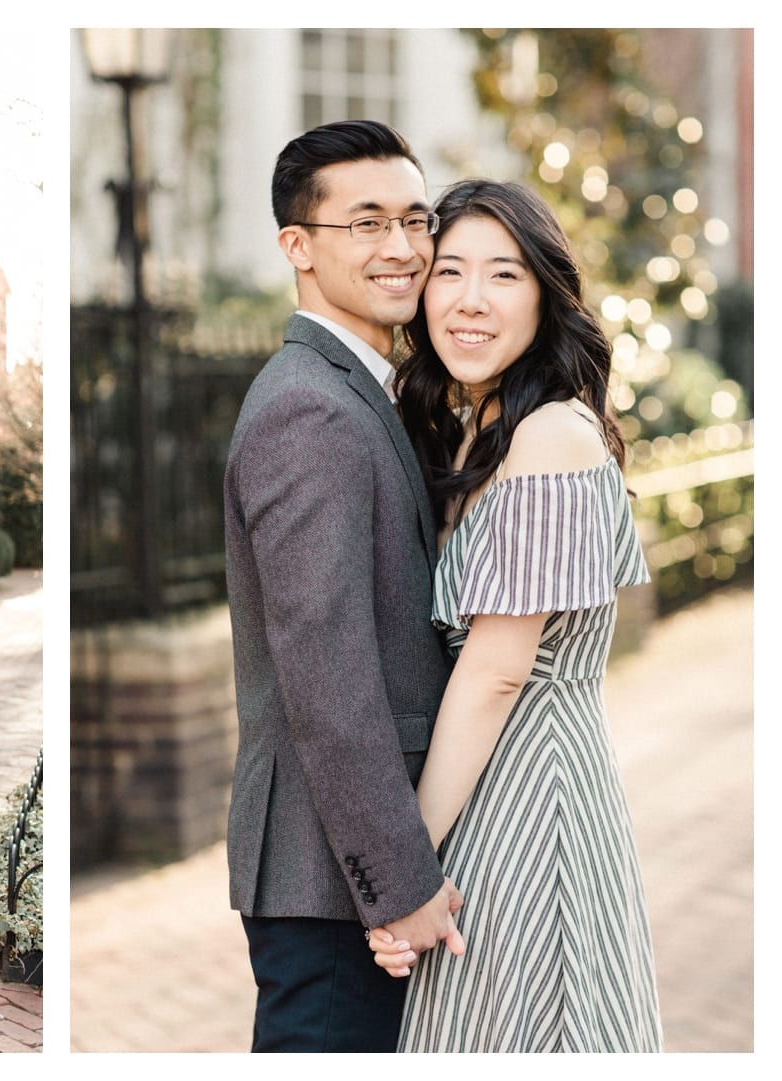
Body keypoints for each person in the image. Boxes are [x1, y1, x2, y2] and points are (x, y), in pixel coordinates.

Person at [368, 178, 663, 1051]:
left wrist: (402, 869)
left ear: (546, 292)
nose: (468, 300)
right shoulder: (481, 427)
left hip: (534, 798)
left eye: (503, 275)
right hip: (484, 789)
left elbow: (498, 669)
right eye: (449, 271)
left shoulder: (551, 437)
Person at [223, 120, 465, 1053]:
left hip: (348, 863)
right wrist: (401, 883)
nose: (403, 248)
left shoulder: (367, 388)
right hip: (332, 877)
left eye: (415, 218)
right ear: (298, 246)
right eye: (366, 224)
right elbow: (327, 677)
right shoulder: (308, 409)